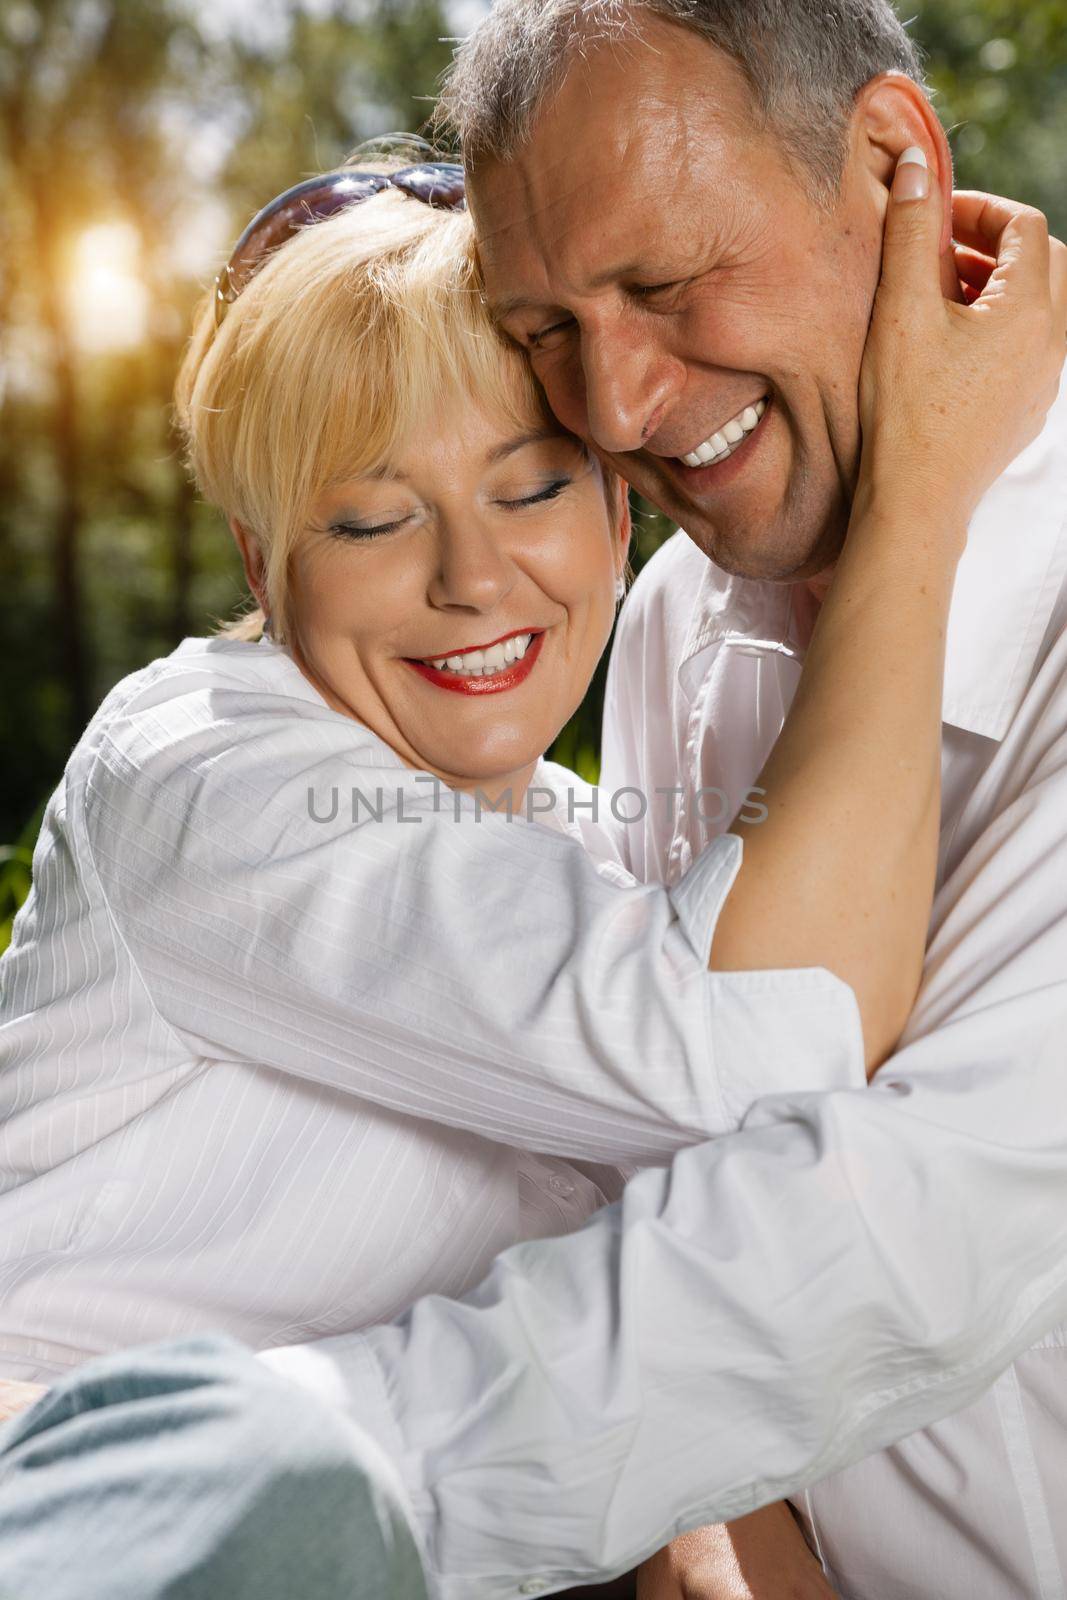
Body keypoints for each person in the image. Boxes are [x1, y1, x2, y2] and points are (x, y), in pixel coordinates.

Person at [0, 153, 1064, 1600]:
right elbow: (752, 1049)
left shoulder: (576, 860)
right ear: (263, 563)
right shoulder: (199, 767)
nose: (474, 579)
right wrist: (919, 496)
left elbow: (672, 1290)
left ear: (619, 516)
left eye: (532, 490)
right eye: (372, 520)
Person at [438, 0, 1067, 1594]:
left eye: (662, 283)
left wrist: (250, 1457)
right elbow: (675, 1154)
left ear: (891, 161)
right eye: (543, 332)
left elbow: (865, 1267)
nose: (619, 404)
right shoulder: (674, 613)